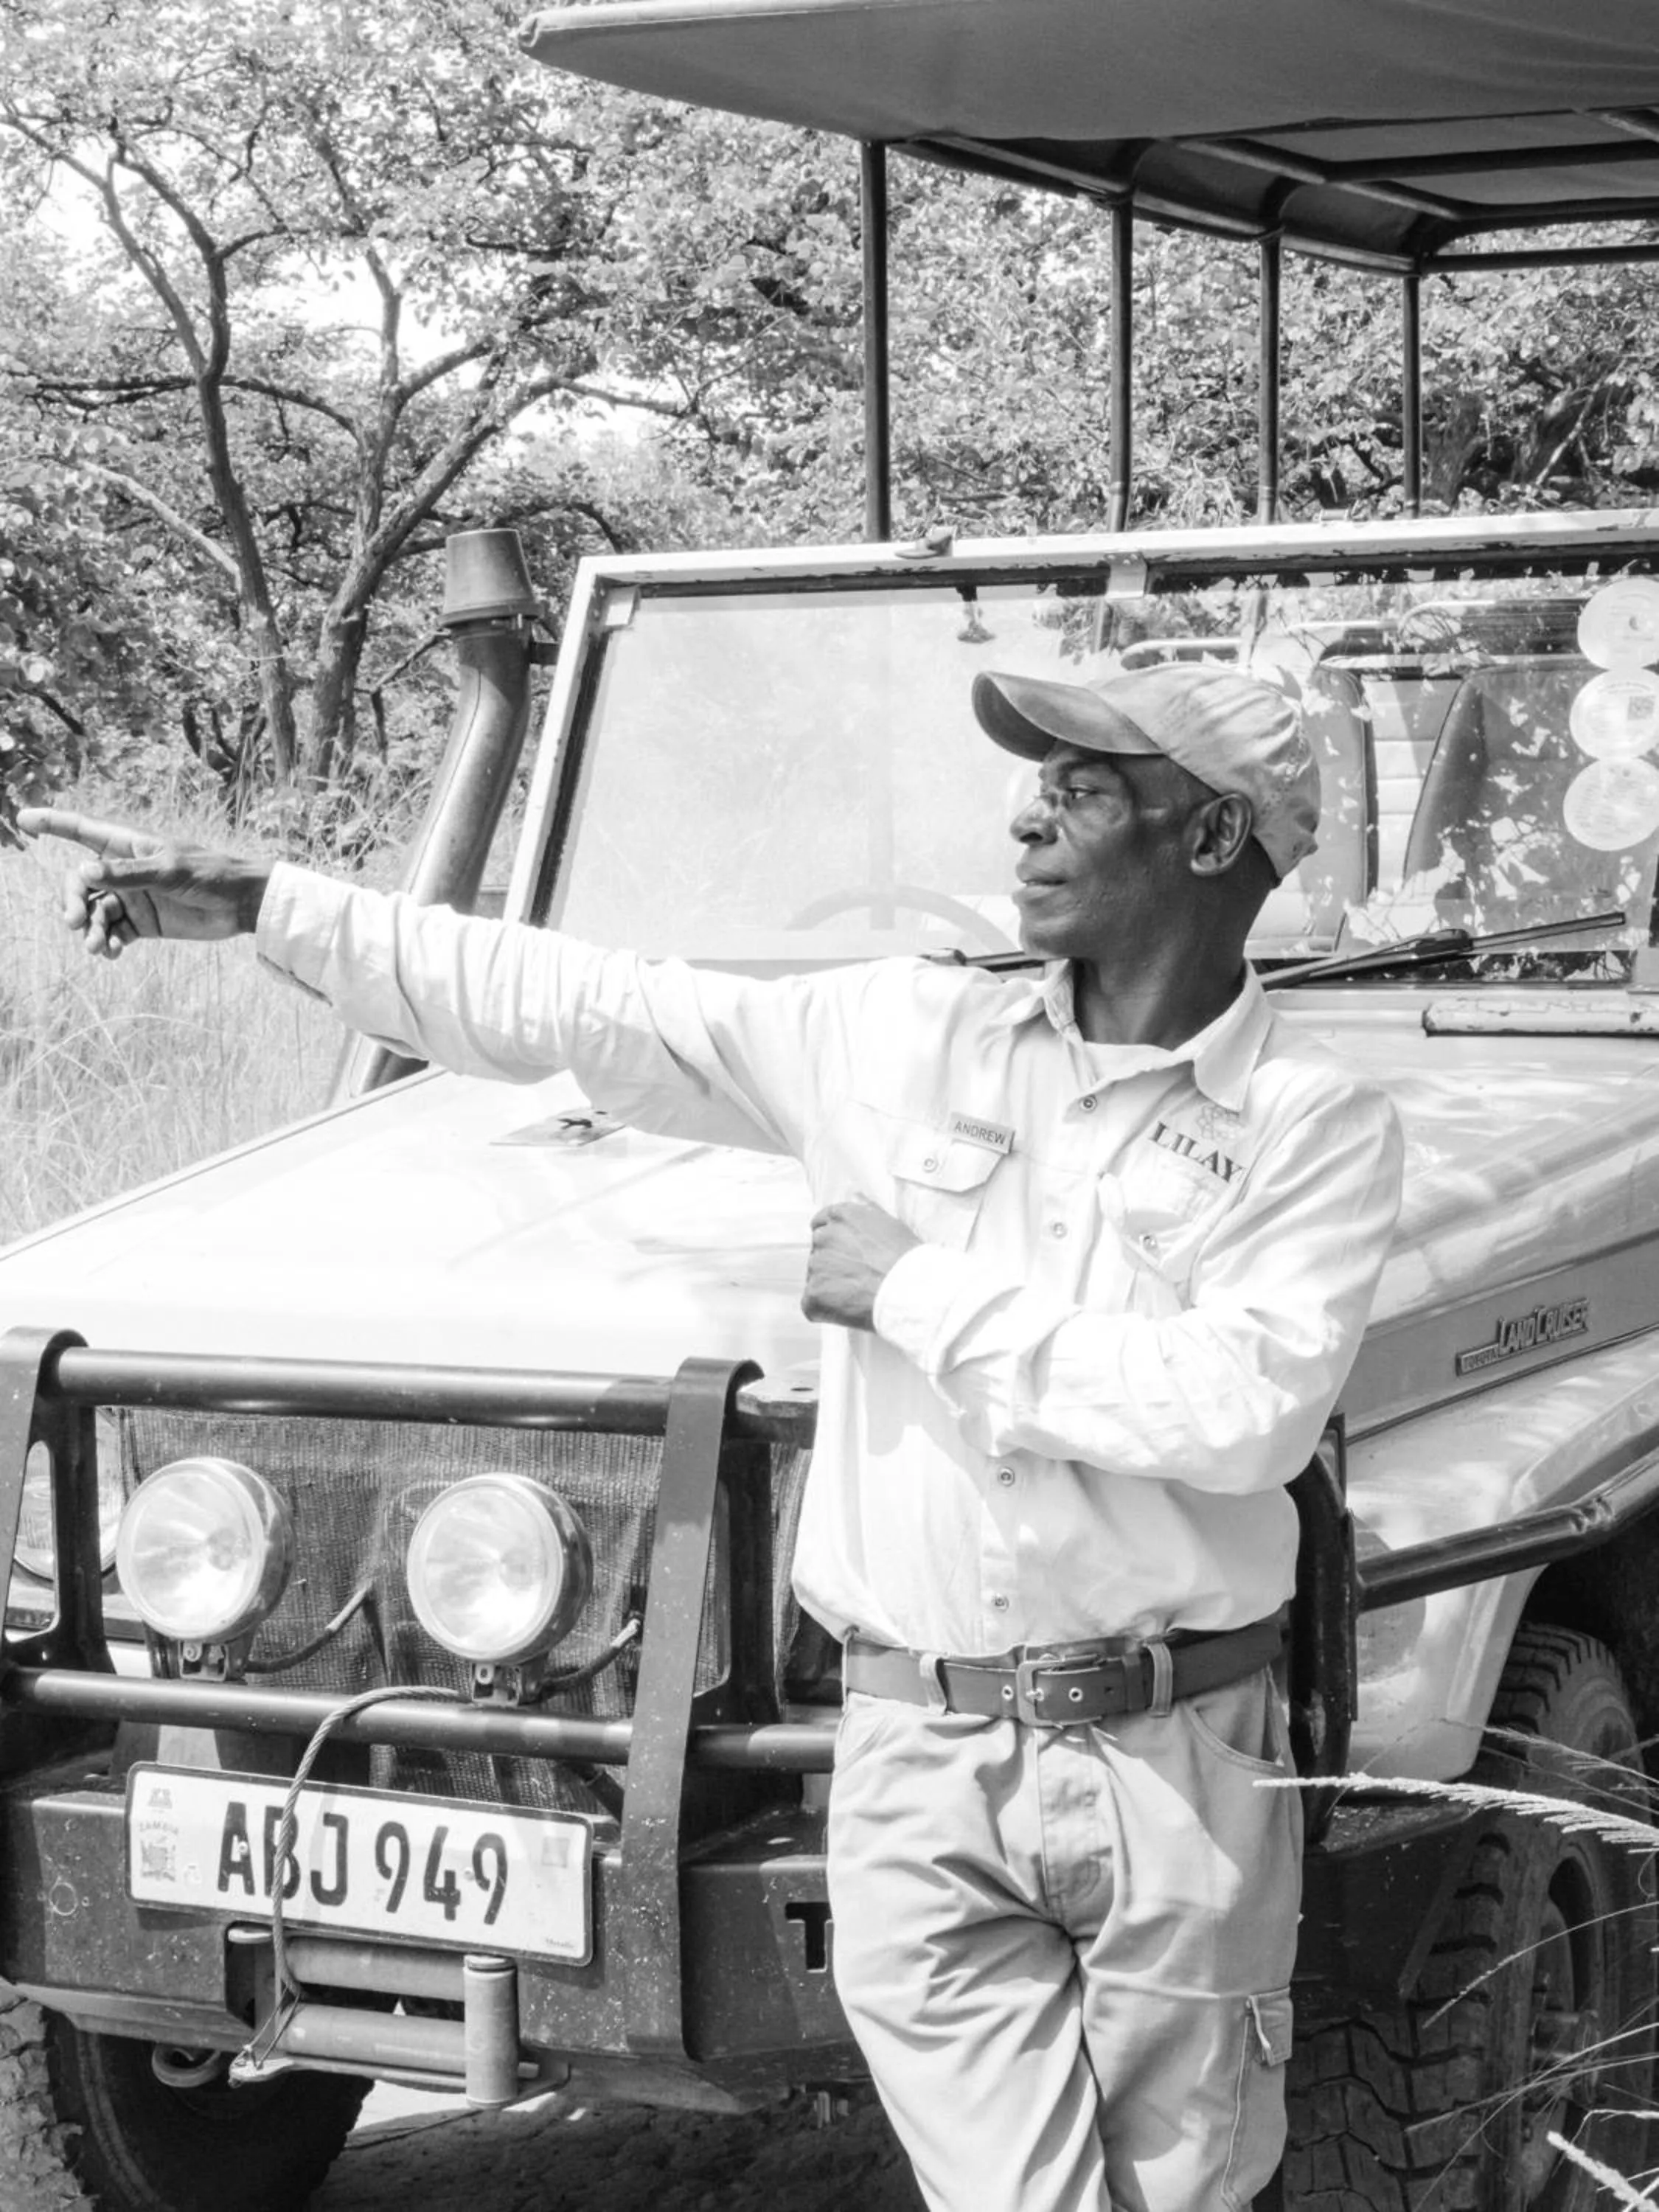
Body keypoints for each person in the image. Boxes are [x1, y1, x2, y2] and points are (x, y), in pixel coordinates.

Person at [21, 660, 1402, 2212]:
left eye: (1084, 790)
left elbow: (1237, 1412)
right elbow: (577, 1005)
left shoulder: (1309, 1121)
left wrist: (921, 1295)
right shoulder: (892, 1037)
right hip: (916, 1752)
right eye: (1037, 781)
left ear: (1213, 842)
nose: (1026, 816)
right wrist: (274, 904)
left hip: (1172, 1759)